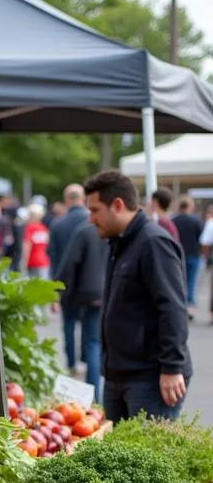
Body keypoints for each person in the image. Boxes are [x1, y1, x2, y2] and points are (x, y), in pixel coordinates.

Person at [84, 169, 190, 420]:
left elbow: (172, 307)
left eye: (95, 210)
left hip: (150, 378)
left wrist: (172, 367)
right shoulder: (119, 242)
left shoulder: (153, 243)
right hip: (119, 374)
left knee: (147, 455)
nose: (90, 219)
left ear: (117, 205)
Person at [54, 219, 104, 393]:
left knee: (87, 339)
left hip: (82, 293)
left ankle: (91, 389)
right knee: (95, 341)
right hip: (105, 294)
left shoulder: (83, 231)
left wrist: (57, 293)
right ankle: (96, 390)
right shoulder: (111, 231)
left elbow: (68, 265)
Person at [171, 196, 204, 317]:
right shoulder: (195, 221)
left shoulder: (174, 220)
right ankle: (189, 306)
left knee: (180, 281)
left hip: (178, 255)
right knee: (191, 281)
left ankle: (181, 305)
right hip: (194, 255)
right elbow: (202, 238)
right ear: (189, 207)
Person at [21, 203, 51, 278]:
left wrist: (24, 263)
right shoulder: (44, 228)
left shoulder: (29, 228)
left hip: (32, 262)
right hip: (44, 261)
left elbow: (27, 246)